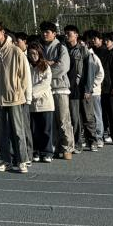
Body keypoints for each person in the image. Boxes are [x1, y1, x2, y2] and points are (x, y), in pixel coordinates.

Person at [0, 22, 30, 173]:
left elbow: (24, 75)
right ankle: (6, 160)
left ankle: (22, 160)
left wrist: (20, 92)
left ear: (3, 32)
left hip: (15, 97)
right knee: (2, 132)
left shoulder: (16, 51)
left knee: (18, 131)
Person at [39, 22, 74, 160]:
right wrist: (50, 64)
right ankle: (53, 146)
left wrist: (46, 70)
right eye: (43, 31)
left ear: (54, 34)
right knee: (50, 121)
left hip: (60, 88)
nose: (44, 34)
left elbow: (63, 67)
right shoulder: (39, 47)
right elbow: (36, 65)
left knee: (63, 120)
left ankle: (67, 147)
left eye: (47, 32)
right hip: (45, 88)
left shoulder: (61, 48)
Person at [27, 41, 55, 163]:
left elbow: (45, 84)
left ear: (39, 53)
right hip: (31, 104)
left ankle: (47, 152)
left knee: (46, 130)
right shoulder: (27, 66)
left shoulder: (45, 66)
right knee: (34, 130)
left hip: (45, 103)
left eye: (35, 53)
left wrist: (30, 93)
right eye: (30, 53)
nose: (33, 56)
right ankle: (36, 151)